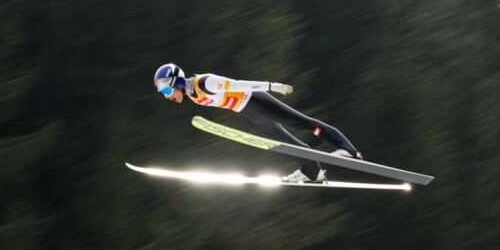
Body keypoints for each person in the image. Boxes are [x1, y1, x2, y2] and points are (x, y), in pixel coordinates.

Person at [153, 63, 362, 182]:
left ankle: (348, 150)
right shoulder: (193, 94)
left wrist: (271, 86)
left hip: (255, 101)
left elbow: (237, 84)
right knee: (282, 143)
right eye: (164, 93)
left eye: (168, 90)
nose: (168, 96)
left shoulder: (204, 82)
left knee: (301, 123)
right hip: (246, 112)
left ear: (178, 82)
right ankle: (312, 171)